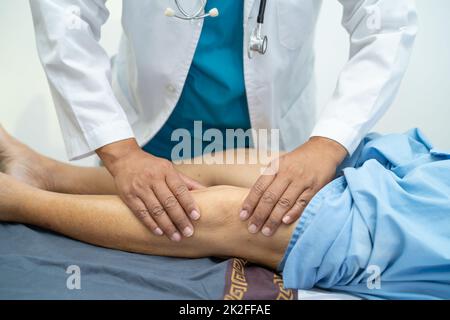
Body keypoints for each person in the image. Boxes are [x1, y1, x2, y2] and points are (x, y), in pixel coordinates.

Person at [29, 0, 418, 240]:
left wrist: (329, 143)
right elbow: (64, 14)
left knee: (218, 224)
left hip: (268, 144)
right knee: (163, 215)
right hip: (146, 133)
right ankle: (28, 187)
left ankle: (29, 186)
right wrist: (121, 153)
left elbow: (388, 24)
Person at [1, 125, 450, 300]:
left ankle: (19, 200)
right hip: (428, 178)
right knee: (245, 163)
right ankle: (48, 172)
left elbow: (385, 28)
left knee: (241, 213)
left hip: (424, 234)